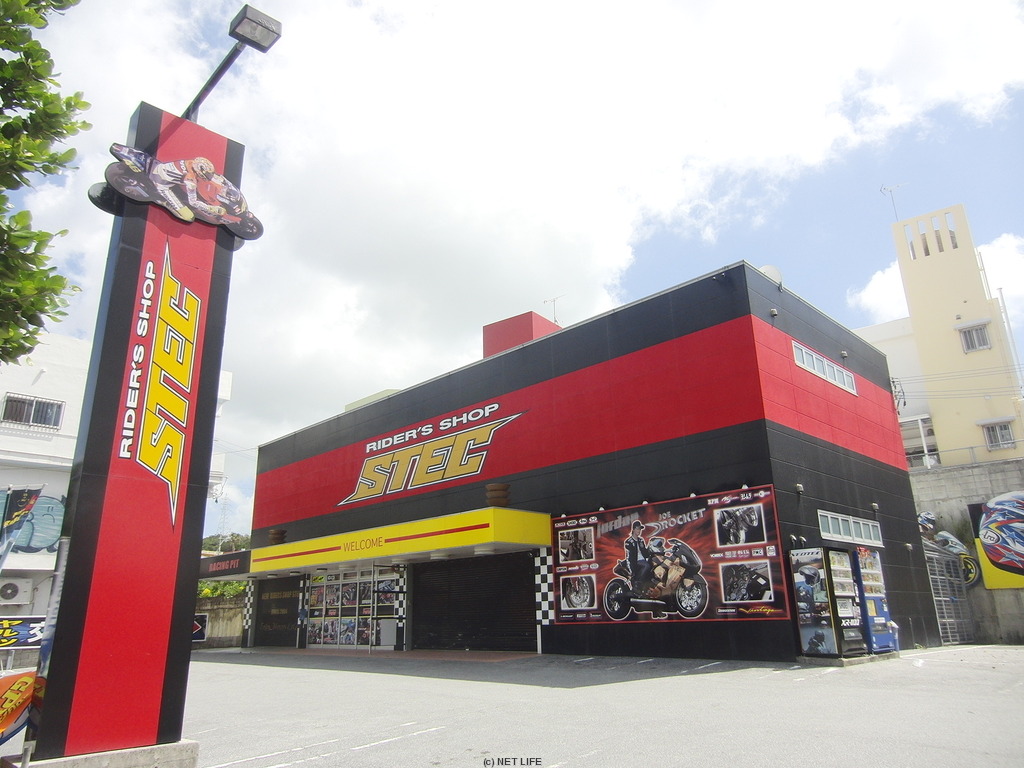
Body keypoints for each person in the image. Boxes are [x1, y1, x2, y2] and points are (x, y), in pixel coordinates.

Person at [150, 156, 227, 222]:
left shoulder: (192, 162)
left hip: (162, 171)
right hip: (162, 185)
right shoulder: (190, 178)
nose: (209, 176)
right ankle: (165, 202)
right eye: (207, 174)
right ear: (199, 172)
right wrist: (211, 208)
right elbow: (193, 202)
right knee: (189, 216)